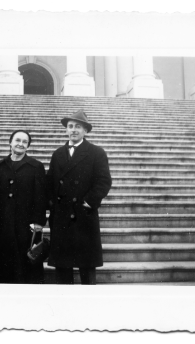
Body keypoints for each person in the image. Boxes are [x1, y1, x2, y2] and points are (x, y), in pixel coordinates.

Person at [45, 109, 112, 285]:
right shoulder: (58, 153)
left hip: (83, 215)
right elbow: (50, 181)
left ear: (86, 131)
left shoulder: (96, 152)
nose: (74, 130)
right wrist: (52, 204)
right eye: (70, 126)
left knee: (86, 266)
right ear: (66, 129)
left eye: (78, 127)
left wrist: (90, 201)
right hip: (61, 216)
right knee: (62, 267)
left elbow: (104, 181)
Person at [0, 130, 47, 284]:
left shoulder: (36, 166)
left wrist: (39, 220)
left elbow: (40, 195)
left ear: (28, 146)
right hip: (2, 222)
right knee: (2, 261)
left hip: (26, 224)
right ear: (10, 142)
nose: (20, 144)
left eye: (25, 142)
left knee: (23, 262)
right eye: (17, 140)